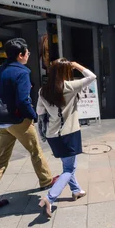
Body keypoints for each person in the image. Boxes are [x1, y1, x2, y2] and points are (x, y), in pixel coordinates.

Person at [0, 38, 57, 209]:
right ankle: (46, 180)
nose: (28, 54)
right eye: (27, 52)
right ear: (20, 55)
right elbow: (23, 100)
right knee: (35, 151)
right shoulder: (22, 72)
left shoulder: (0, 69)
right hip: (18, 120)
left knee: (0, 159)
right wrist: (33, 115)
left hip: (1, 121)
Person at [37, 59, 96, 217]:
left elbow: (40, 113)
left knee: (67, 166)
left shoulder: (43, 91)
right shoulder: (70, 86)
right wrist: (76, 65)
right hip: (69, 133)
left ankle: (76, 190)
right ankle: (50, 198)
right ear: (65, 72)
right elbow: (91, 77)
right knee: (69, 168)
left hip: (52, 134)